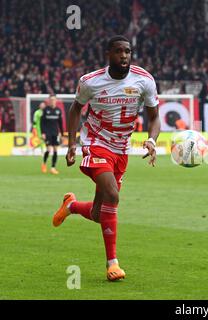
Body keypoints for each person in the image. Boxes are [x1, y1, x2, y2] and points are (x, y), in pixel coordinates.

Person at [51, 35, 160, 281]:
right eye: (119, 51)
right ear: (108, 54)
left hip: (121, 149)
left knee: (101, 213)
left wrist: (152, 140)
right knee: (112, 194)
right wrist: (71, 144)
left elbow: (154, 117)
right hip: (96, 144)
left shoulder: (144, 80)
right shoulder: (91, 81)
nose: (124, 56)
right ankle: (113, 264)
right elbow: (76, 108)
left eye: (128, 51)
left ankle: (72, 206)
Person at [41, 95, 63, 174]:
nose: (52, 101)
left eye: (53, 100)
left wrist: (62, 133)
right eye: (51, 100)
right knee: (49, 149)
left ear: (56, 100)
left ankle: (53, 168)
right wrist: (43, 133)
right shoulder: (45, 110)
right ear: (49, 101)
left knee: (55, 150)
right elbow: (42, 122)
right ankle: (44, 164)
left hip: (55, 133)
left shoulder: (58, 110)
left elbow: (60, 123)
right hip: (47, 133)